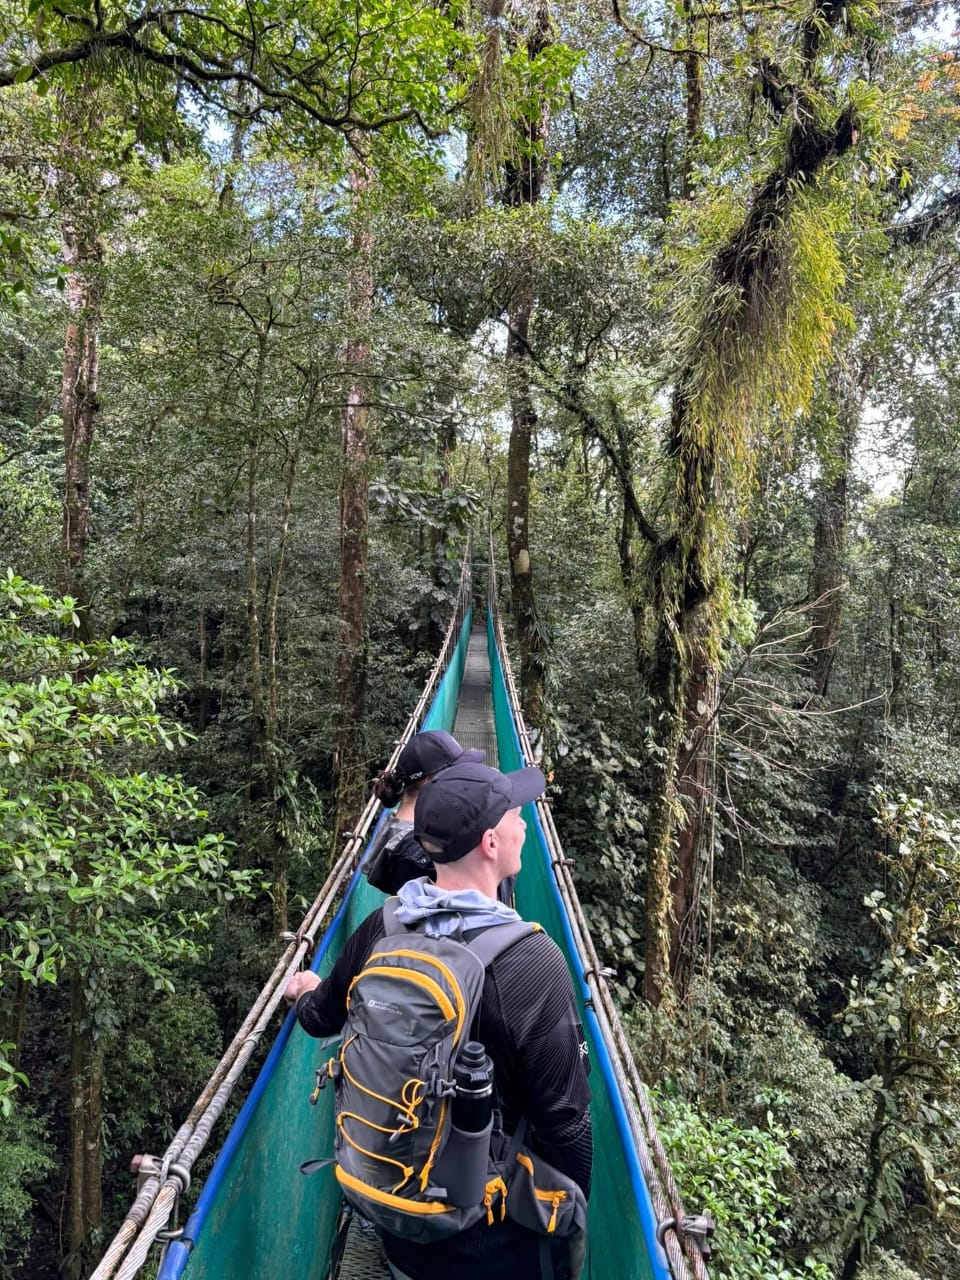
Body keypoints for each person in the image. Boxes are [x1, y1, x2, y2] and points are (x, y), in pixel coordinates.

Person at [286, 760, 592, 1280]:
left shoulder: (381, 928)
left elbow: (320, 1017)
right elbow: (567, 1125)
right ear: (491, 843)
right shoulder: (533, 962)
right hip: (496, 1244)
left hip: (398, 1221)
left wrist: (303, 991)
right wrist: (569, 1223)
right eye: (515, 815)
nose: (524, 823)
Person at [362, 730, 484, 895]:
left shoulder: (402, 831)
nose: (460, 781)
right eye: (454, 774)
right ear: (428, 781)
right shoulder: (418, 855)